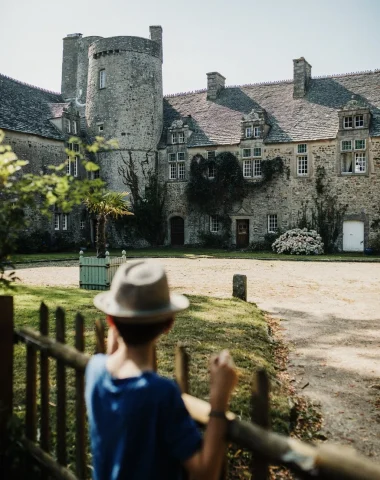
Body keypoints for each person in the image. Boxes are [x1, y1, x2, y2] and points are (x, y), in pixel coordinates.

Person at [85, 260, 237, 480]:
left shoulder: (94, 369)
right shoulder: (161, 394)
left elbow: (110, 357)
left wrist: (119, 322)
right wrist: (219, 401)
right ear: (168, 324)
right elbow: (204, 473)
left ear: (110, 320)